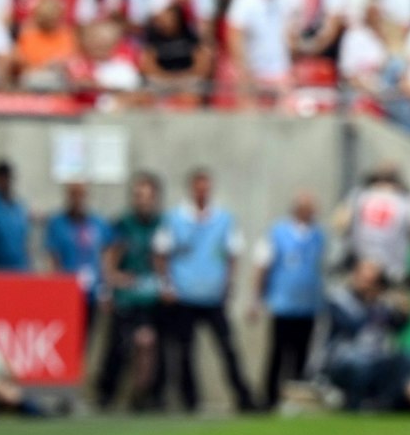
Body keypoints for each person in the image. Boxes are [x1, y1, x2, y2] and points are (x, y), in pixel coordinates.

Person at [160, 169, 256, 413]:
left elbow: (233, 253)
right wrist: (168, 284)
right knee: (185, 351)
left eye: (206, 187)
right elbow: (161, 252)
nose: (202, 191)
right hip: (184, 293)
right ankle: (189, 400)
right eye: (198, 187)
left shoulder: (223, 219)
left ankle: (243, 397)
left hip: (213, 294)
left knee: (227, 348)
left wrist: (228, 283)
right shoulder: (175, 218)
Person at [97, 172, 169, 409]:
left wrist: (165, 283)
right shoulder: (122, 224)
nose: (144, 201)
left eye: (148, 196)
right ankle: (106, 393)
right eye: (139, 195)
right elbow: (109, 259)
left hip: (151, 299)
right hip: (126, 298)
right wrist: (111, 284)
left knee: (149, 342)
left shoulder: (163, 225)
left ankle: (145, 394)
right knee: (118, 348)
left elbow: (164, 261)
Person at [251, 191, 328, 410]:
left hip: (307, 305)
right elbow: (262, 265)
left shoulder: (318, 235)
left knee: (302, 354)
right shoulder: (278, 232)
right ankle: (269, 397)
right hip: (283, 302)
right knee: (278, 352)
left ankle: (295, 399)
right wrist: (257, 299)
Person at [322, 260, 410, 412]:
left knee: (405, 360)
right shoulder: (340, 299)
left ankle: (383, 404)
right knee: (359, 365)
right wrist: (372, 301)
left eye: (374, 281)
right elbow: (352, 325)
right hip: (343, 359)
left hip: (375, 357)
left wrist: (405, 311)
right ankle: (353, 405)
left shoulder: (380, 302)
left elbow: (396, 326)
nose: (369, 284)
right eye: (366, 280)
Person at [333, 165, 410, 284]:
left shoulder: (358, 195)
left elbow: (339, 226)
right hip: (393, 274)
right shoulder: (408, 201)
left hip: (360, 271)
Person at [43, 181, 110, 321]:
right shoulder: (58, 224)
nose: (78, 200)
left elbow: (105, 256)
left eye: (81, 195)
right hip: (67, 291)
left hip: (92, 292)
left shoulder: (97, 223)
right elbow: (53, 259)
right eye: (74, 195)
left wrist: (105, 289)